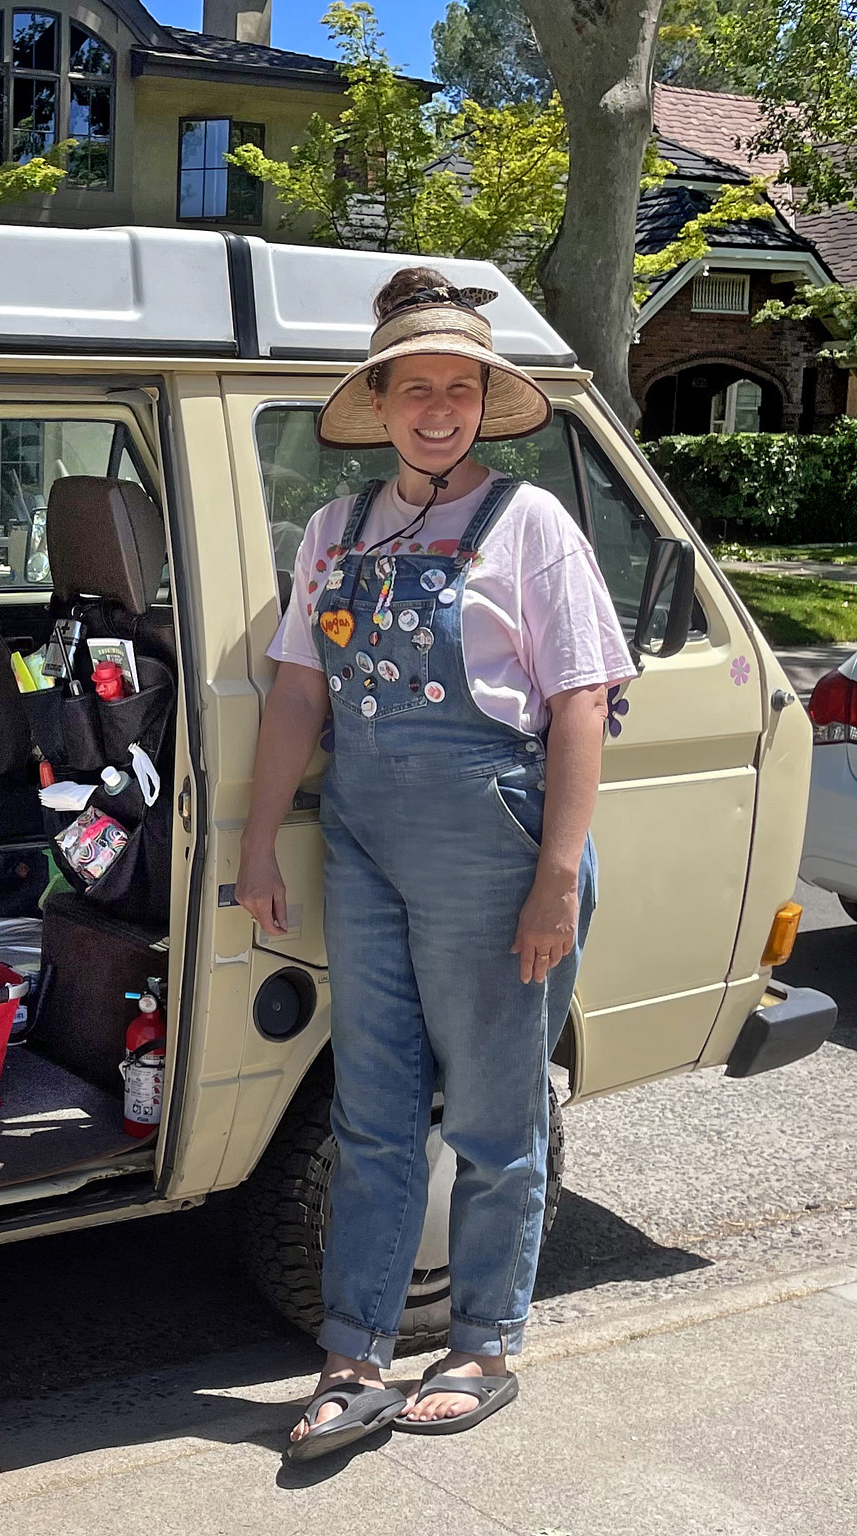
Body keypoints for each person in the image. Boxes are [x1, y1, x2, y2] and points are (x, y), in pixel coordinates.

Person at [236, 268, 637, 1464]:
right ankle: (354, 1352)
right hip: (364, 838)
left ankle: (483, 1344)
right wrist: (258, 838)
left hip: (493, 842)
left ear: (483, 403)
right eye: (417, 387)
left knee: (496, 1112)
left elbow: (581, 702)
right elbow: (299, 692)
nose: (440, 409)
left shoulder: (531, 525)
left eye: (461, 388)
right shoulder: (336, 530)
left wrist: (556, 875)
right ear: (381, 400)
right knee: (372, 1105)